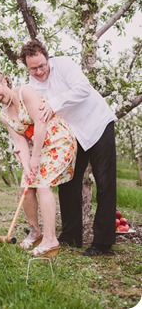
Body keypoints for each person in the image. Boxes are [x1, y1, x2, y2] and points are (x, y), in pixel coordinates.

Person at [20, 39, 117, 256]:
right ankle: (71, 237)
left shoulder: (63, 65)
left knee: (105, 182)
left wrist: (54, 103)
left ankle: (103, 243)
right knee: (68, 182)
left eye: (42, 66)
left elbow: (83, 89)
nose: (39, 71)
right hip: (72, 134)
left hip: (97, 124)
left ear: (47, 58)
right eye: (33, 68)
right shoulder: (32, 85)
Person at [0, 68, 77, 257]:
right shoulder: (4, 115)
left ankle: (50, 240)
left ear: (5, 82)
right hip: (38, 150)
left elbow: (40, 124)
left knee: (42, 184)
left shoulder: (26, 92)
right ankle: (35, 231)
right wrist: (27, 165)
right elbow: (20, 143)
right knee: (27, 184)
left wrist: (35, 157)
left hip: (59, 141)